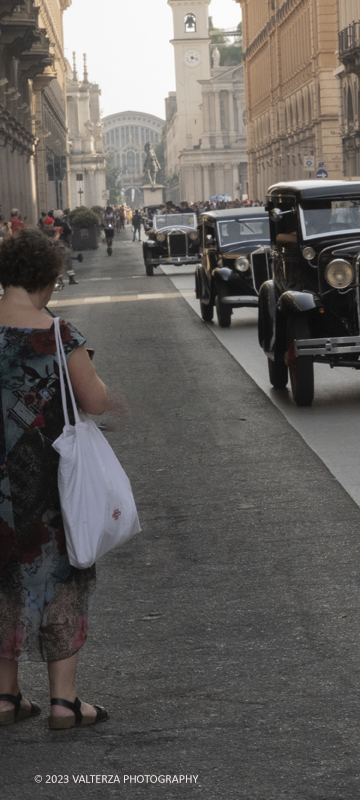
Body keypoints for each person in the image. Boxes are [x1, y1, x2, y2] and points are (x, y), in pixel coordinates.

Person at [0, 229, 114, 729]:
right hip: (49, 484)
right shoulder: (60, 335)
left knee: (0, 581)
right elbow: (96, 402)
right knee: (62, 581)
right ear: (46, 282)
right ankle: (64, 703)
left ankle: (5, 697)